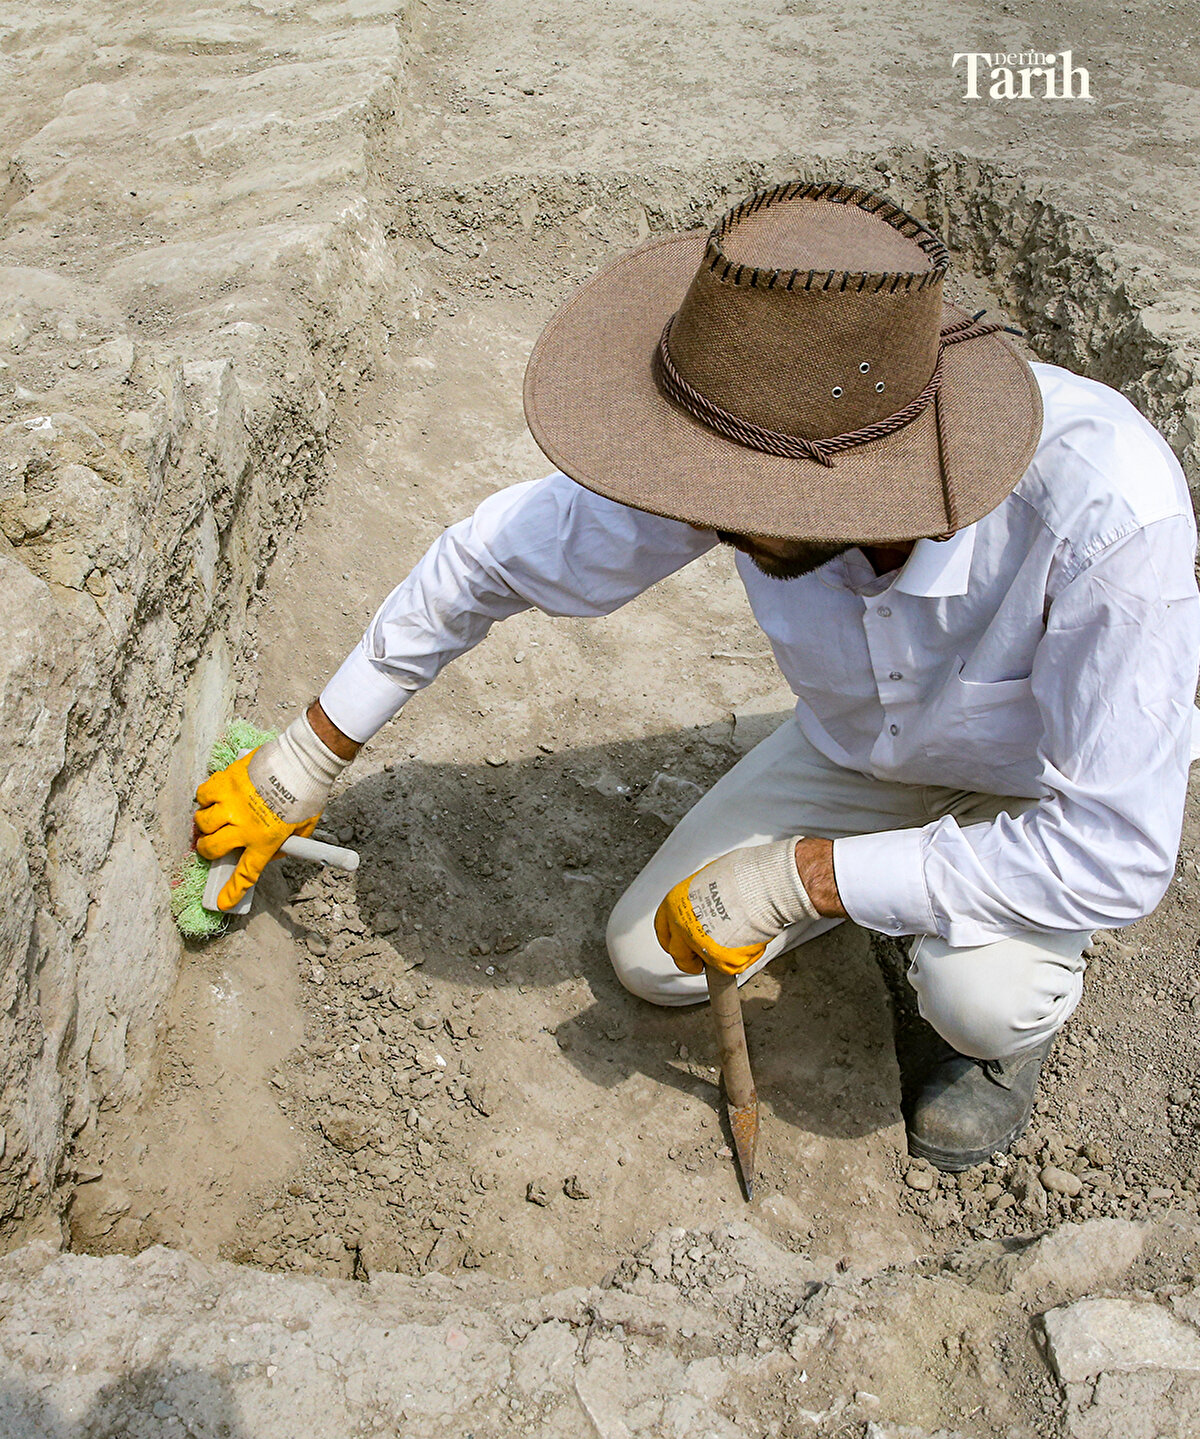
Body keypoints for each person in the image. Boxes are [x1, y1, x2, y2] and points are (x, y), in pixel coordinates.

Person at [193, 181, 1200, 1172]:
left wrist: (809, 878)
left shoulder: (1107, 515)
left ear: (849, 480)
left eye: (733, 502)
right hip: (861, 747)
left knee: (977, 1000)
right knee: (653, 958)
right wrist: (307, 753)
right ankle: (900, 879)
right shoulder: (753, 429)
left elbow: (1116, 851)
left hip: (1036, 794)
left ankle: (1003, 1024)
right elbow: (488, 558)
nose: (703, 518)